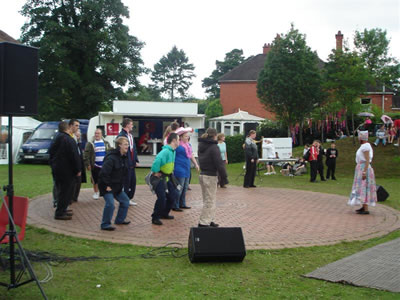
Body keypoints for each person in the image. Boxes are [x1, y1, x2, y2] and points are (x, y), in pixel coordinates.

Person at [49, 121, 81, 220]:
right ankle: (60, 212)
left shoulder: (56, 138)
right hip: (67, 171)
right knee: (65, 192)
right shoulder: (68, 139)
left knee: (62, 191)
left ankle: (62, 209)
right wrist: (78, 169)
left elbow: (51, 153)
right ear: (67, 128)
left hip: (57, 169)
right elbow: (74, 156)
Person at [98, 137, 131, 231]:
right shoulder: (111, 158)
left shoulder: (124, 157)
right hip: (107, 185)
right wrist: (107, 185)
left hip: (117, 186)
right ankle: (105, 224)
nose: (127, 146)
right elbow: (104, 173)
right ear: (119, 145)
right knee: (110, 204)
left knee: (125, 201)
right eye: (125, 144)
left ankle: (120, 220)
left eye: (128, 144)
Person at [198, 128, 227, 227]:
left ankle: (210, 219)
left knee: (207, 199)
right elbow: (219, 163)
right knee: (210, 200)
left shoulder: (201, 145)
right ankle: (203, 222)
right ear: (215, 135)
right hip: (210, 175)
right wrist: (224, 177)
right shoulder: (214, 147)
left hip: (203, 174)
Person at [150, 133, 180, 225]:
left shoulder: (173, 151)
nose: (179, 142)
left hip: (168, 177)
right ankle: (155, 217)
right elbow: (157, 160)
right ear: (174, 141)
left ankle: (164, 213)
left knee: (173, 195)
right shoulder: (166, 151)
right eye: (178, 140)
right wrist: (155, 171)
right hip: (160, 178)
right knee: (162, 198)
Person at [348, 131, 377, 214]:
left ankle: (366, 208)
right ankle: (364, 206)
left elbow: (367, 159)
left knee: (364, 186)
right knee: (361, 187)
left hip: (364, 168)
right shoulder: (363, 146)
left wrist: (364, 171)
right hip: (361, 167)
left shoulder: (366, 146)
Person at [172, 127, 199, 211]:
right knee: (179, 187)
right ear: (180, 137)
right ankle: (175, 205)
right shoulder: (177, 145)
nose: (187, 137)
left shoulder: (189, 145)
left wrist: (196, 164)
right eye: (186, 136)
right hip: (179, 168)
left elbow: (191, 155)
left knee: (185, 187)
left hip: (187, 168)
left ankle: (182, 203)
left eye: (188, 136)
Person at [84, 128, 112, 200]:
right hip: (95, 165)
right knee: (95, 179)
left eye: (98, 133)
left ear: (101, 134)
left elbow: (109, 153)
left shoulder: (106, 143)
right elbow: (86, 155)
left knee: (105, 179)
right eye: (95, 133)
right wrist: (88, 164)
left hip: (104, 165)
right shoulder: (90, 143)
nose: (97, 135)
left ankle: (104, 192)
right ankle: (96, 192)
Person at [118, 118, 139, 206]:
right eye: (131, 124)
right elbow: (121, 151)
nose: (132, 126)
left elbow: (134, 149)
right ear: (127, 125)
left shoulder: (130, 136)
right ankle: (124, 199)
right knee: (126, 182)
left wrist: (136, 160)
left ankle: (129, 198)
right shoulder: (121, 136)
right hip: (126, 164)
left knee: (132, 182)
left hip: (132, 164)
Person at [72, 128, 87, 203]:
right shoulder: (72, 143)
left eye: (79, 135)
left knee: (79, 182)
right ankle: (72, 197)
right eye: (77, 134)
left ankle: (75, 197)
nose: (79, 135)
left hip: (80, 164)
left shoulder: (79, 143)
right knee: (74, 182)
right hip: (74, 166)